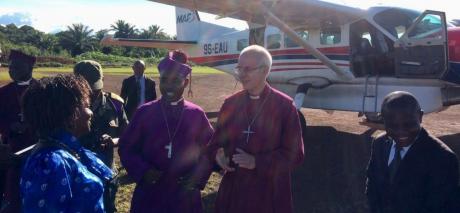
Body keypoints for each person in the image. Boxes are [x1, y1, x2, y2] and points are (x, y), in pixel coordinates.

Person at [195, 45, 304, 213]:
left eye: (248, 69)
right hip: (234, 191)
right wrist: (218, 157)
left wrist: (257, 162)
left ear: (265, 70)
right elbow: (214, 145)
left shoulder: (285, 106)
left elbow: (295, 155)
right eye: (239, 68)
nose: (241, 74)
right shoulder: (230, 104)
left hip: (269, 192)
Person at [118, 50, 214, 213]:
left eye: (176, 81)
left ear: (185, 82)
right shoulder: (144, 112)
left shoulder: (196, 114)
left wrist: (197, 175)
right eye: (164, 80)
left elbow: (210, 150)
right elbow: (126, 147)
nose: (169, 86)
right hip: (150, 194)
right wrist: (143, 170)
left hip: (185, 195)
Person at [20, 74, 114, 212]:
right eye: (87, 106)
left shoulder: (66, 150)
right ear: (70, 114)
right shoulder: (51, 163)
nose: (90, 112)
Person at [366, 91, 459, 213]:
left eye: (408, 124)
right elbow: (372, 187)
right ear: (383, 121)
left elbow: (441, 207)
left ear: (420, 117)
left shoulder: (443, 158)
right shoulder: (379, 144)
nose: (401, 131)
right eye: (393, 125)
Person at [0, 50, 37, 213]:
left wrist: (31, 125)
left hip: (36, 148)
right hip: (11, 148)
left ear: (30, 66)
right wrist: (9, 126)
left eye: (17, 66)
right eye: (10, 66)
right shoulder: (3, 92)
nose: (11, 70)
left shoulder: (42, 90)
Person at [73, 60, 128, 169]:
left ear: (102, 79)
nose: (90, 93)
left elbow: (127, 135)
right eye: (84, 89)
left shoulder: (115, 104)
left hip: (106, 171)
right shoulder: (67, 106)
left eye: (94, 87)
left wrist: (113, 141)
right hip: (76, 173)